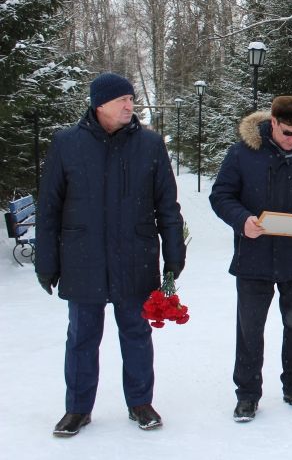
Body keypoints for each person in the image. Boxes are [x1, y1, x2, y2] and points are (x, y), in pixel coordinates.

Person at [35, 72, 186, 436]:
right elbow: (50, 208)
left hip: (134, 256)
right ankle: (78, 409)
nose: (129, 105)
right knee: (82, 337)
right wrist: (46, 262)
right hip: (82, 257)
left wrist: (174, 253)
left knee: (135, 333)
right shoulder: (67, 143)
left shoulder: (149, 145)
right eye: (122, 99)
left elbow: (167, 204)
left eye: (131, 99)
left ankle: (140, 403)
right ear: (98, 103)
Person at [209, 96, 292, 422]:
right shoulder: (243, 152)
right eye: (288, 133)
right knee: (250, 329)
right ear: (273, 123)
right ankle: (248, 395)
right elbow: (221, 194)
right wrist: (242, 220)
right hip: (254, 256)